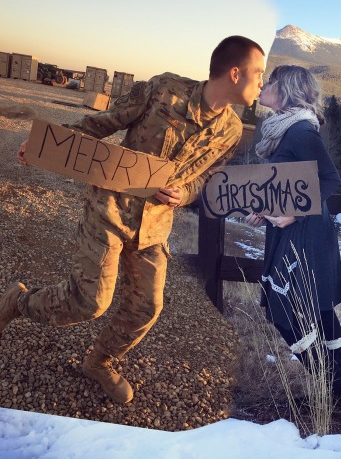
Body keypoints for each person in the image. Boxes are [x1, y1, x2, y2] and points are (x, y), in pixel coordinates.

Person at [2, 35, 266, 404]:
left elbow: (204, 177)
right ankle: (18, 302)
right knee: (90, 301)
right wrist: (45, 147)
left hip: (154, 226)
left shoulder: (231, 132)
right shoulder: (164, 90)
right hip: (109, 209)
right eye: (259, 74)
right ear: (235, 74)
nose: (262, 83)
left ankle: (99, 363)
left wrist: (185, 193)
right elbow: (101, 123)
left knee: (147, 306)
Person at [243, 65, 341, 406]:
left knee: (284, 309)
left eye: (270, 81)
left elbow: (330, 179)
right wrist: (267, 211)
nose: (263, 85)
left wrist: (292, 212)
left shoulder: (301, 131)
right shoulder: (285, 129)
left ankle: (332, 382)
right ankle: (333, 385)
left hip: (304, 233)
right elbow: (292, 182)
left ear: (286, 89)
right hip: (296, 231)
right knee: (316, 307)